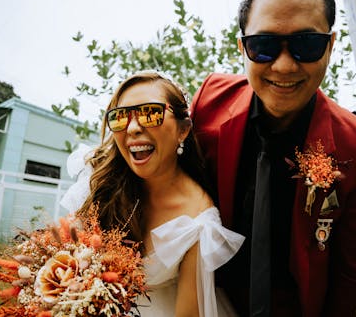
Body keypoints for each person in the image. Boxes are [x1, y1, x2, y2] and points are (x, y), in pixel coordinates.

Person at [190, 0, 356, 316]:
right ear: (242, 47)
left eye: (306, 45)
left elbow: (347, 273)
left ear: (330, 46)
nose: (284, 66)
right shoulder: (208, 102)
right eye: (263, 46)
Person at [61, 70, 244, 317]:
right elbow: (63, 258)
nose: (133, 128)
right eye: (120, 117)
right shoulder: (99, 180)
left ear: (183, 130)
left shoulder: (198, 220)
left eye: (150, 114)